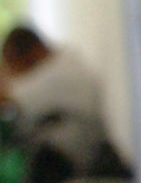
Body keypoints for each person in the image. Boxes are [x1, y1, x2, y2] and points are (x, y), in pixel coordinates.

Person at [0, 28, 112, 175]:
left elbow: (6, 97)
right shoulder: (64, 61)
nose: (14, 73)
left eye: (14, 65)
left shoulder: (57, 76)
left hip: (70, 165)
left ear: (32, 55)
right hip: (70, 157)